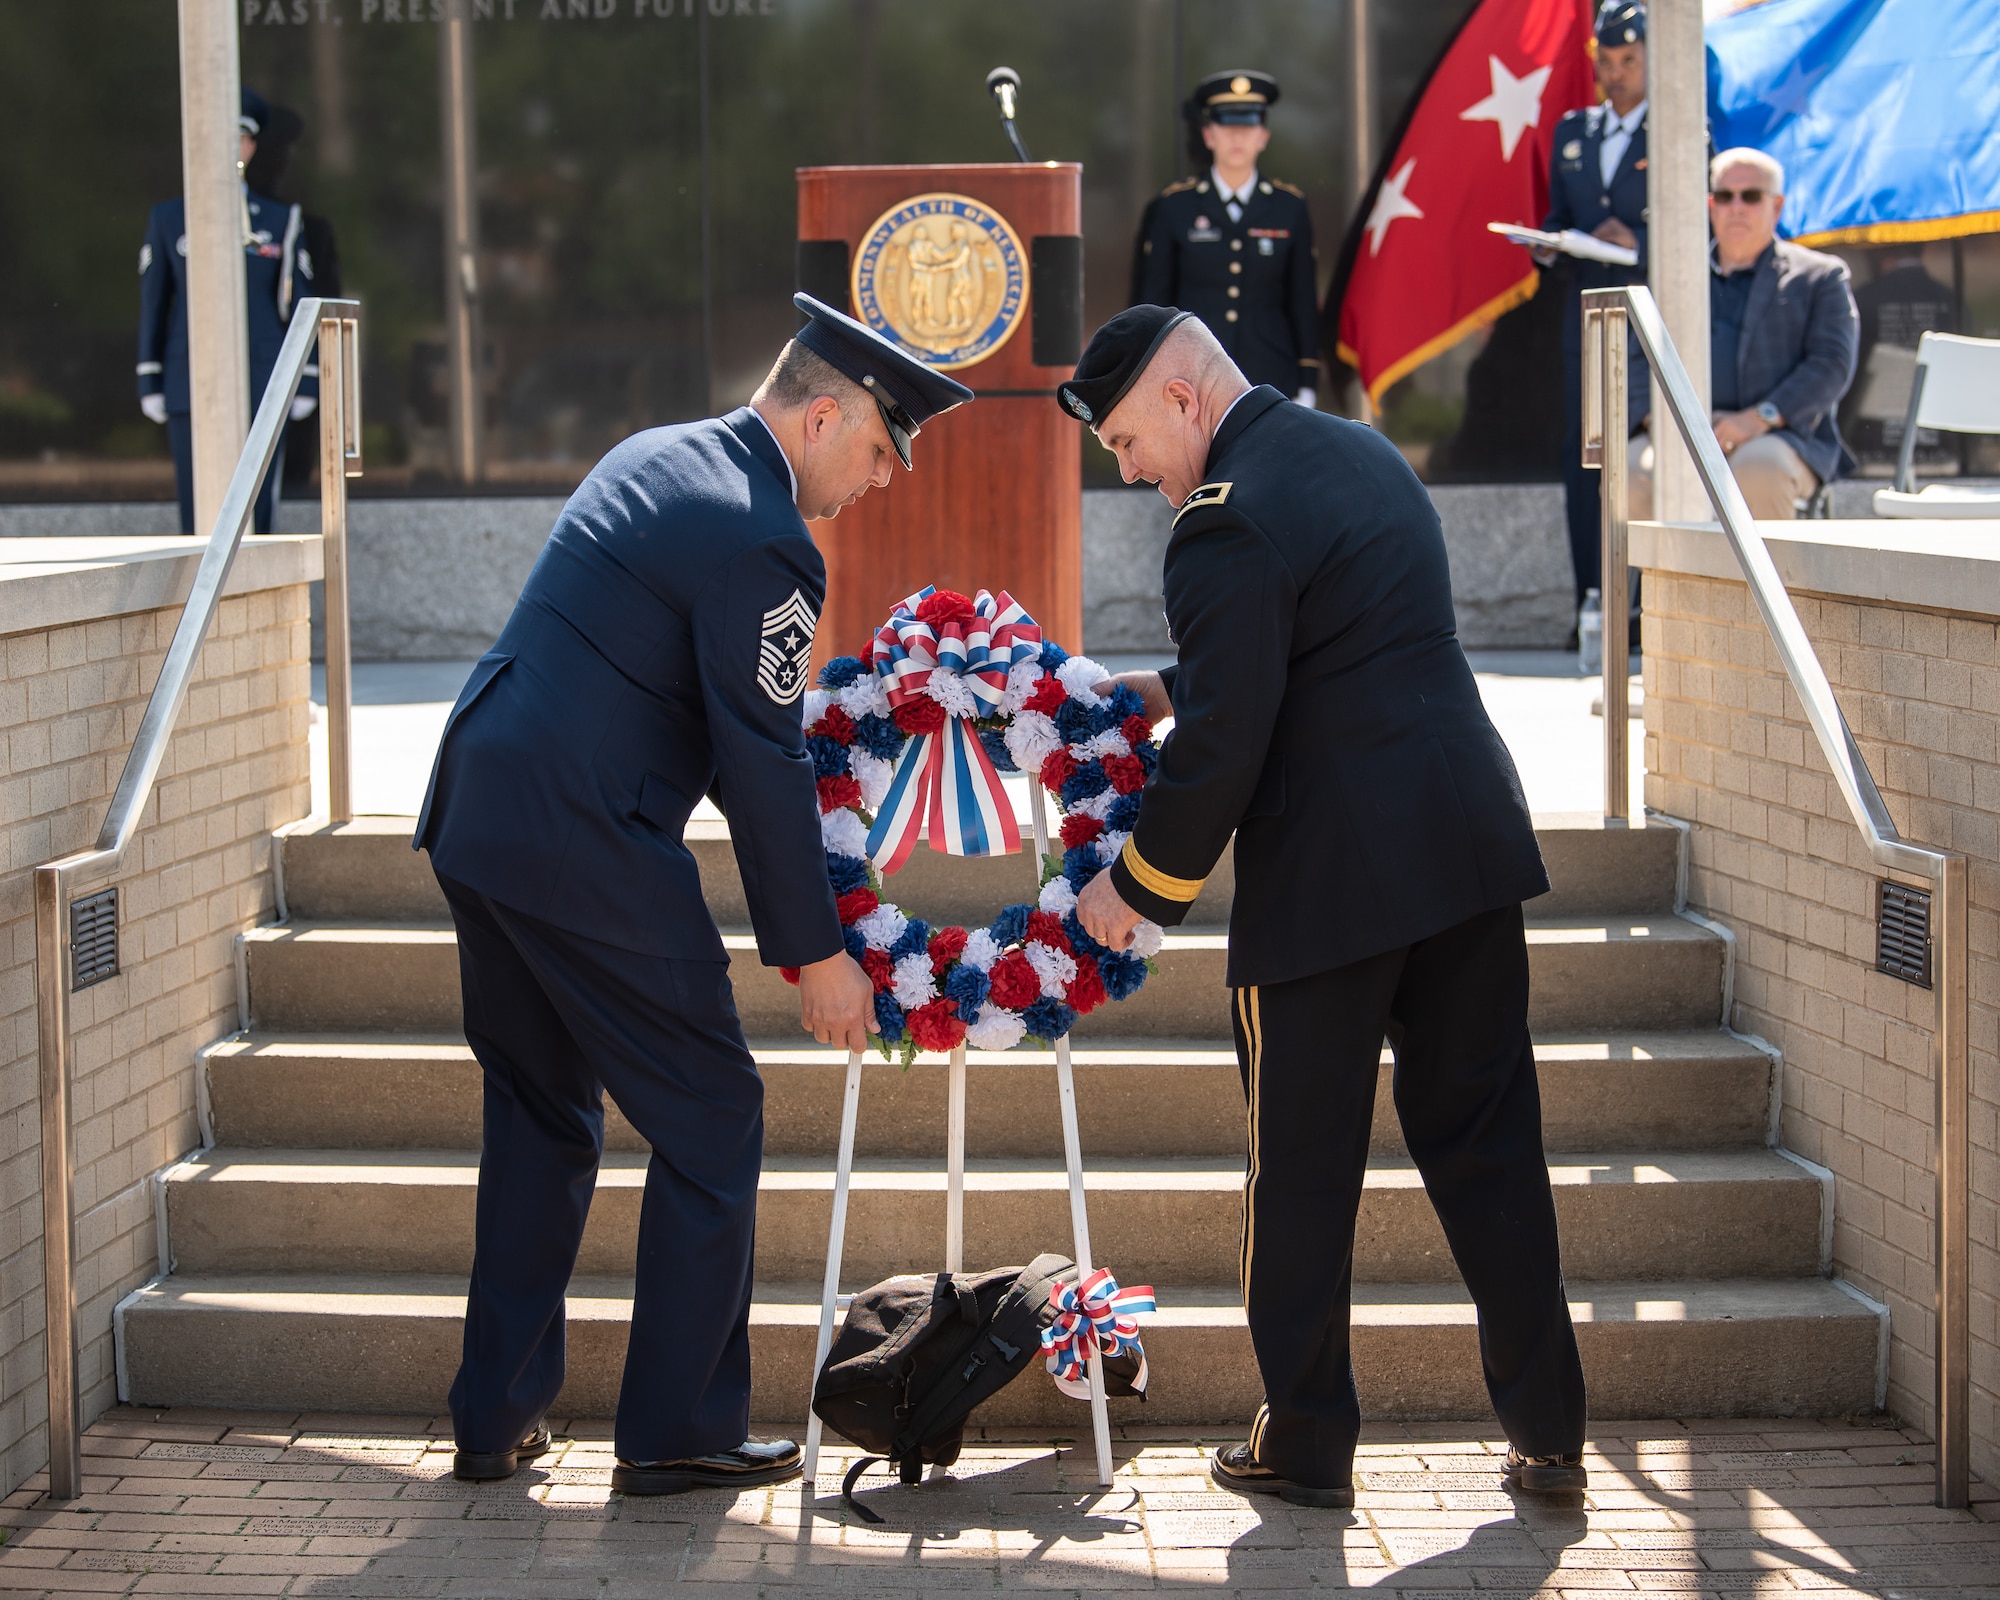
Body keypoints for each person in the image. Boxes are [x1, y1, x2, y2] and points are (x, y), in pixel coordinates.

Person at [412, 294, 973, 1494]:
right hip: (582, 840)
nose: (877, 481)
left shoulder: (657, 453)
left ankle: (493, 1416)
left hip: (484, 806)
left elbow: (724, 726)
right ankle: (675, 1430)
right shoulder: (768, 538)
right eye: (877, 451)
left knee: (542, 1116)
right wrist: (816, 953)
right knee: (714, 1116)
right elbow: (759, 755)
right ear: (822, 415)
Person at [1059, 306, 1588, 1506]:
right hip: (1458, 848)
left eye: (1131, 440)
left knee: (1297, 1172)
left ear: (1185, 400)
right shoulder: (1355, 449)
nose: (1132, 471)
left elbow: (1231, 738)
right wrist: (1160, 682)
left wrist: (1134, 888)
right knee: (1491, 1145)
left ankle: (1303, 1439)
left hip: (1328, 886)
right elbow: (1332, 638)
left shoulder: (1217, 522)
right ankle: (1549, 1430)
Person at [1628, 148, 1859, 521]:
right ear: (1710, 205)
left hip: (1777, 434)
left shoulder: (1820, 277)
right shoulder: (1673, 277)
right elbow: (1639, 360)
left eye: (1750, 196)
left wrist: (1758, 418)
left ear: (1777, 206)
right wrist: (1666, 425)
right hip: (1683, 430)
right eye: (1724, 196)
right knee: (1633, 473)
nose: (1736, 206)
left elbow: (1831, 364)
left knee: (1758, 470)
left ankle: (1761, 583)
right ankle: (1655, 582)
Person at [136, 88, 318, 536]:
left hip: (263, 376)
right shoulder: (170, 218)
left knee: (259, 511)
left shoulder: (279, 220)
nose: (230, 149)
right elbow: (155, 302)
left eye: (239, 138)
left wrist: (306, 375)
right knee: (197, 509)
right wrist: (150, 375)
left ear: (251, 146)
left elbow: (298, 301)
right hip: (189, 377)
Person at [1539, 2, 1650, 612]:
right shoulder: (1574, 132)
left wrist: (1640, 243)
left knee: (1642, 454)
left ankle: (1644, 604)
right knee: (1584, 451)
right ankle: (1593, 600)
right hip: (1586, 318)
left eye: (1629, 59)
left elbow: (1699, 231)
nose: (1617, 72)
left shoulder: (1683, 133)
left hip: (1651, 320)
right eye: (1606, 61)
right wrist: (1549, 244)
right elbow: (1560, 216)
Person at [1132, 71, 1319, 407]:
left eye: (1247, 127)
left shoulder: (1289, 208)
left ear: (1263, 136)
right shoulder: (1174, 208)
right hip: (1192, 379)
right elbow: (1154, 303)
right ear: (1208, 135)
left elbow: (1302, 302)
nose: (1237, 137)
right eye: (1226, 126)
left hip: (1271, 379)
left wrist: (1307, 382)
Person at [242, 101, 345, 500]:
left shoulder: (307, 228)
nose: (284, 161)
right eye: (277, 150)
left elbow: (323, 311)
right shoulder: (192, 222)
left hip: (285, 376)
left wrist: (310, 380)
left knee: (283, 488)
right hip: (224, 381)